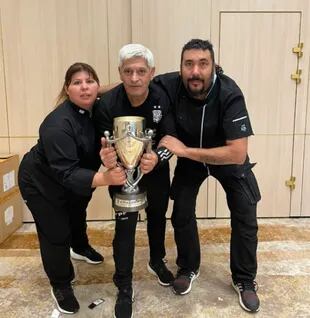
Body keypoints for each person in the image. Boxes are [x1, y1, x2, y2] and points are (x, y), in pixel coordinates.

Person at [155, 39, 261, 313]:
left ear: (214, 66)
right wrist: (93, 90)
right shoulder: (169, 84)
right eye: (188, 64)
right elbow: (133, 81)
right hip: (191, 161)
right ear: (180, 67)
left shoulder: (230, 93)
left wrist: (184, 150)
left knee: (245, 214)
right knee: (181, 212)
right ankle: (188, 267)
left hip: (225, 159)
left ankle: (245, 279)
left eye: (203, 64)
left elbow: (237, 153)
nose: (195, 72)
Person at [18, 62, 126, 315]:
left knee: (77, 211)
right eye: (77, 83)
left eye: (90, 81)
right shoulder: (57, 124)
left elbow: (126, 84)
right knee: (55, 231)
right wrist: (106, 179)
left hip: (75, 179)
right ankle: (61, 283)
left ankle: (79, 246)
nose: (85, 87)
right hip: (41, 181)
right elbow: (65, 173)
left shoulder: (95, 107)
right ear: (67, 89)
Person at [92, 44, 176, 318]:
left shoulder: (163, 98)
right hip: (122, 175)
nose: (135, 78)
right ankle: (124, 285)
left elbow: (170, 139)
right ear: (120, 73)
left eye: (141, 71)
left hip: (155, 172)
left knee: (157, 217)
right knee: (125, 229)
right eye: (128, 71)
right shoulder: (107, 104)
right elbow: (103, 143)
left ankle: (156, 260)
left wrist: (159, 158)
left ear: (151, 72)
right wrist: (107, 158)